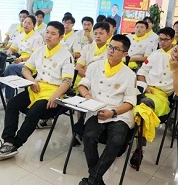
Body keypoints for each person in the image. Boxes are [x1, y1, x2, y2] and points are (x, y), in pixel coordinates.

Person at [0, 21, 74, 160]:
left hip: (55, 93)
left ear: (60, 37)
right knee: (12, 104)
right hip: (37, 88)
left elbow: (67, 82)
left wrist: (55, 96)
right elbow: (25, 69)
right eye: (47, 32)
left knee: (34, 111)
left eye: (53, 34)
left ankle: (15, 144)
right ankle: (8, 141)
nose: (49, 36)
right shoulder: (40, 50)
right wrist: (32, 80)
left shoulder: (66, 55)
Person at [78, 34, 136, 185]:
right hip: (97, 109)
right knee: (89, 137)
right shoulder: (95, 66)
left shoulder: (129, 74)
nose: (111, 51)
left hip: (118, 114)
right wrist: (88, 96)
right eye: (110, 46)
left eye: (116, 49)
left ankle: (92, 180)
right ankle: (96, 180)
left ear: (125, 54)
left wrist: (113, 112)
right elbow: (83, 85)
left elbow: (130, 102)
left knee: (116, 140)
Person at [130, 27, 176, 168]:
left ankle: (139, 148)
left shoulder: (176, 57)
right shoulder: (155, 54)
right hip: (146, 88)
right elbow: (142, 72)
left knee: (144, 106)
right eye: (160, 39)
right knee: (129, 102)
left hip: (161, 96)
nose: (162, 42)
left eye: (165, 40)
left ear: (173, 40)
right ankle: (125, 139)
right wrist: (144, 84)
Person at [0, 15, 43, 110]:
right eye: (25, 22)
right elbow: (13, 47)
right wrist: (10, 52)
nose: (26, 25)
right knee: (3, 58)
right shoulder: (21, 35)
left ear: (33, 25)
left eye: (29, 23)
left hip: (31, 65)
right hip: (19, 61)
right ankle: (6, 99)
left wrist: (22, 60)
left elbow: (36, 57)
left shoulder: (37, 38)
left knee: (11, 69)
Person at [75, 22, 111, 89]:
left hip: (102, 84)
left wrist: (86, 69)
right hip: (84, 81)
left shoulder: (111, 50)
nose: (98, 36)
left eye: (101, 33)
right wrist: (91, 77)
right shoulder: (87, 48)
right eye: (95, 33)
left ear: (108, 35)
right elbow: (78, 68)